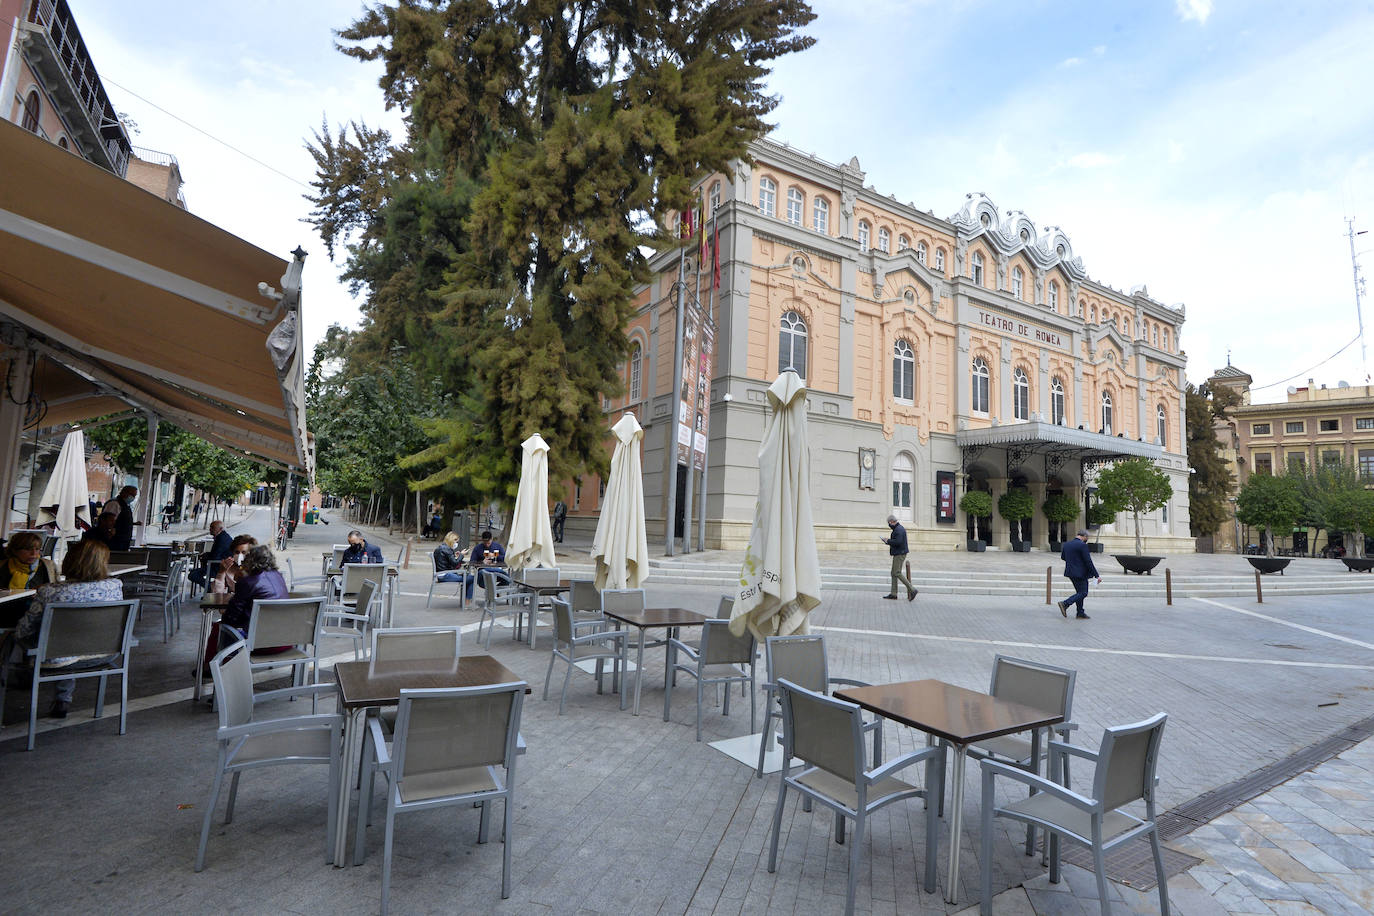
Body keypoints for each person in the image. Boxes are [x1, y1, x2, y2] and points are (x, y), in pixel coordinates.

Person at [11, 540, 122, 719]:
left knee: (51, 643)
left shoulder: (50, 592)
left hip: (58, 658)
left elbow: (23, 630)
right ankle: (62, 698)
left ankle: (22, 676)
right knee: (70, 642)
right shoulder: (115, 587)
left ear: (69, 560)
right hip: (105, 654)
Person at [201, 545, 292, 672]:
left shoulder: (248, 581)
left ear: (250, 562)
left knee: (219, 627)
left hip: (260, 644)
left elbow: (231, 617)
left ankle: (210, 669)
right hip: (287, 640)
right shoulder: (278, 576)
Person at [1, 532, 55, 627]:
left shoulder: (47, 566)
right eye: (27, 549)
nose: (33, 553)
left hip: (38, 615)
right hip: (7, 614)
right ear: (15, 550)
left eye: (37, 549)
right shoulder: (3, 566)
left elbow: (55, 590)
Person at [1057, 529, 1101, 620]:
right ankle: (1065, 603)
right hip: (1081, 573)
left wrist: (1073, 562)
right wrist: (1096, 575)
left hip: (1070, 572)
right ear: (1084, 536)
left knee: (1079, 592)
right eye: (1087, 537)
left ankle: (1080, 612)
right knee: (1083, 593)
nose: (1087, 539)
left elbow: (1063, 557)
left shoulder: (1067, 544)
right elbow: (1088, 561)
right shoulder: (1082, 545)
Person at [880, 514, 917, 601]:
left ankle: (912, 589)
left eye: (889, 523)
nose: (889, 525)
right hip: (898, 553)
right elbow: (897, 541)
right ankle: (893, 593)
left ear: (891, 522)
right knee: (893, 572)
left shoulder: (899, 529)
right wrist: (888, 541)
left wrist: (888, 541)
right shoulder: (898, 529)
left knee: (897, 572)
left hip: (900, 553)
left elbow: (898, 542)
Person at [188, 520, 234, 588]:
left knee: (193, 575)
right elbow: (215, 554)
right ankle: (211, 587)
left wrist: (205, 556)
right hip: (218, 566)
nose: (210, 529)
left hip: (218, 568)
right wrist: (206, 555)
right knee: (195, 572)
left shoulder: (222, 539)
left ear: (220, 529)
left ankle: (210, 588)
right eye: (210, 527)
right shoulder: (222, 536)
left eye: (213, 527)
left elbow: (215, 557)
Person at [101, 485, 137, 551]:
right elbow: (107, 521)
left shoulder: (125, 505)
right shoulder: (114, 504)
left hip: (122, 541)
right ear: (124, 492)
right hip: (114, 541)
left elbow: (120, 520)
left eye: (134, 496)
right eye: (132, 495)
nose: (133, 498)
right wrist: (110, 531)